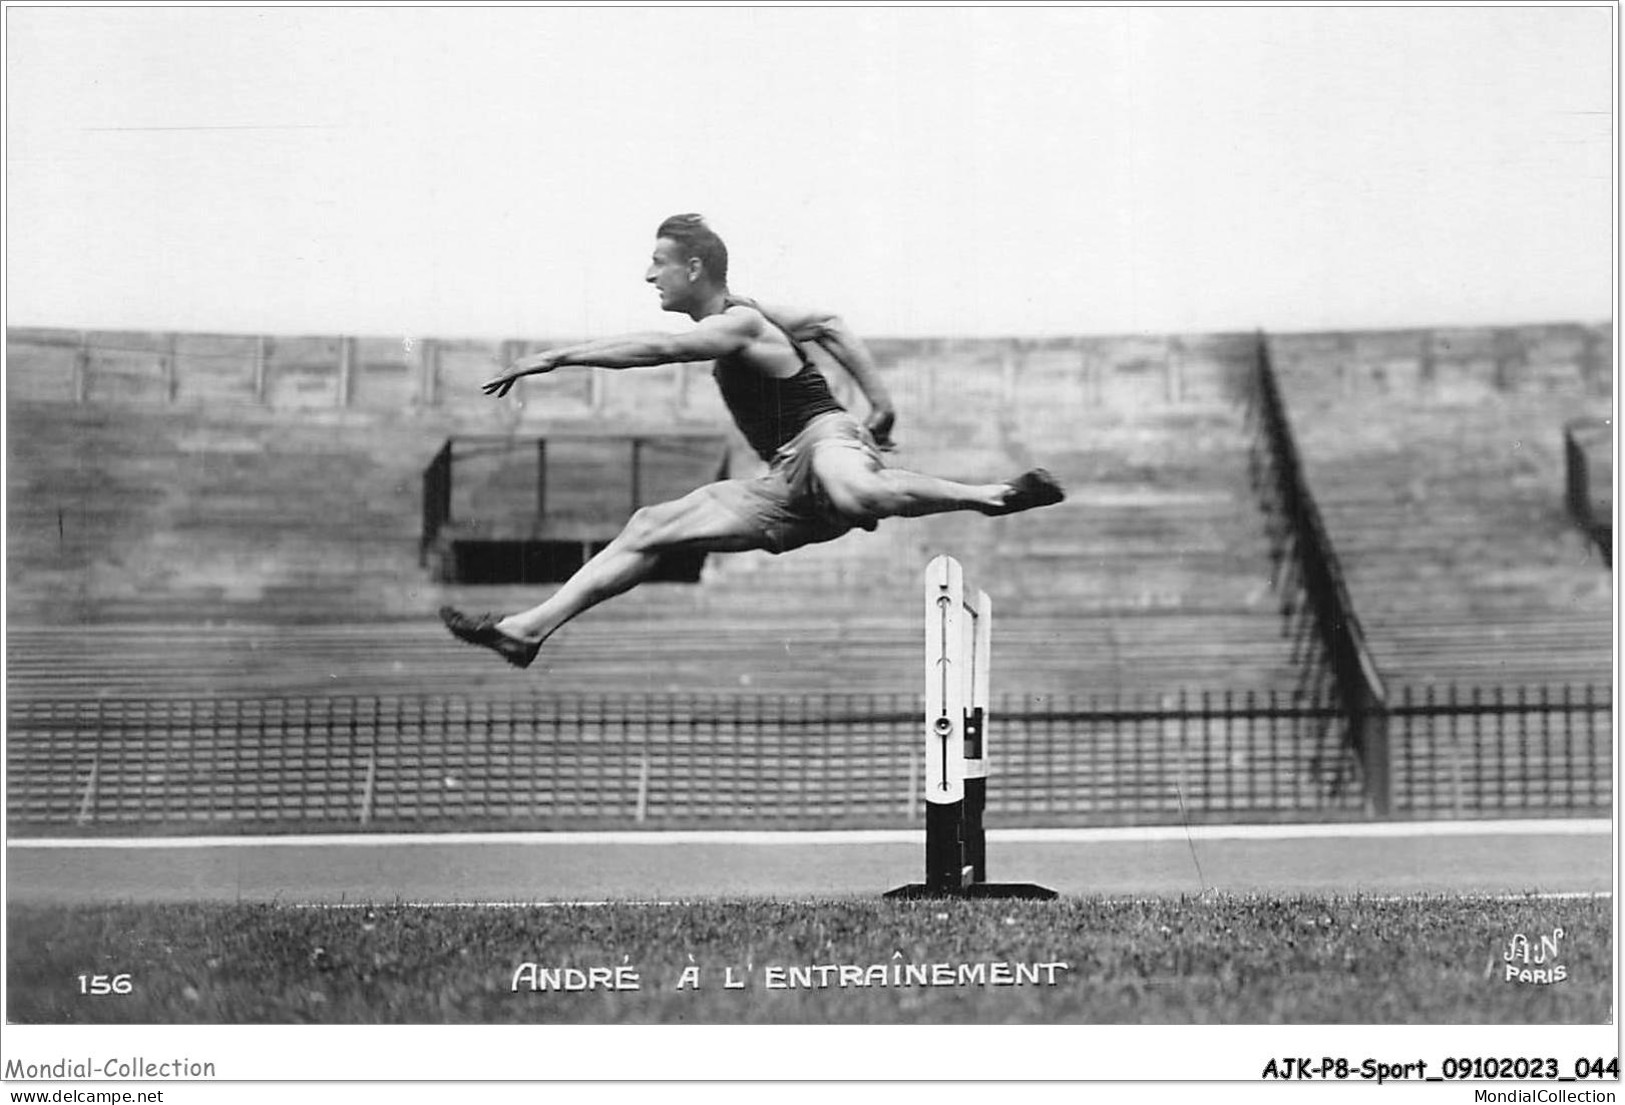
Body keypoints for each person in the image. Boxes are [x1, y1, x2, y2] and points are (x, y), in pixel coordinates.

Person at [441, 214, 1064, 668]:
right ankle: (527, 631)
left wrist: (556, 357)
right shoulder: (758, 313)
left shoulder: (737, 322)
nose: (648, 274)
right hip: (783, 479)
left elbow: (659, 348)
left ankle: (993, 495)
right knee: (649, 525)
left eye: (658, 262)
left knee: (850, 491)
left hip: (826, 438)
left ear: (693, 268)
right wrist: (884, 402)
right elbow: (828, 323)